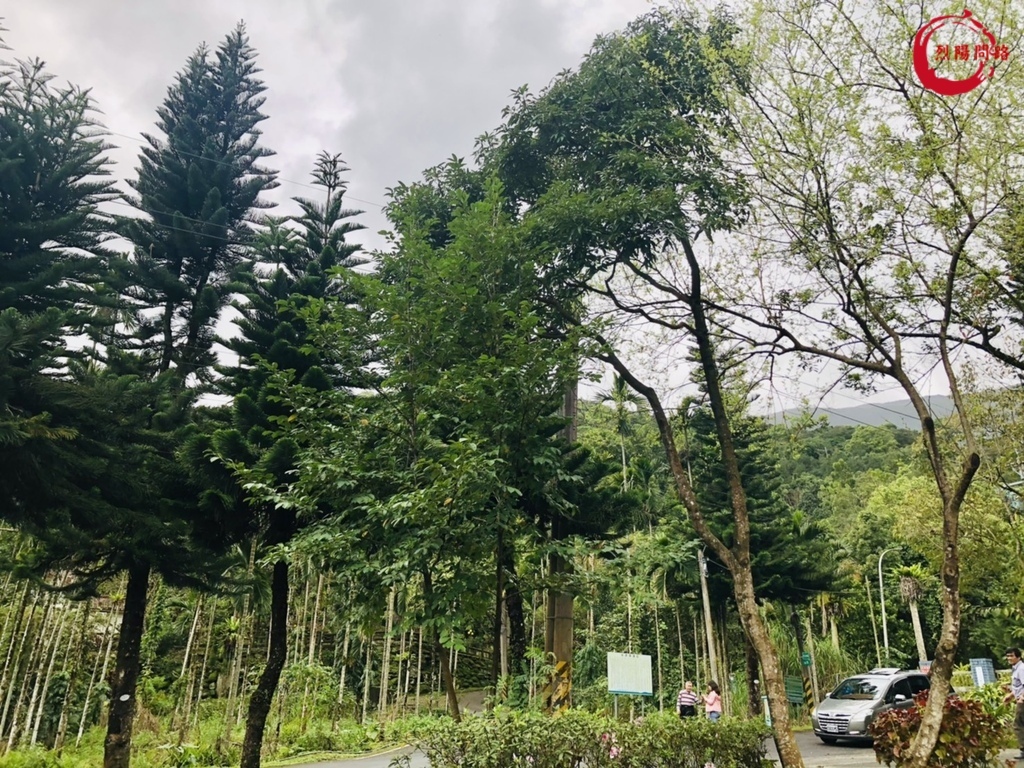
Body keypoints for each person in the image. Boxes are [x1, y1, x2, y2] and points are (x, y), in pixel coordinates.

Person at [1006, 648, 1024, 760]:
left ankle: (1023, 749)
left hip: (1022, 702)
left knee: (1018, 725)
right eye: (1007, 656)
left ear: (1018, 657)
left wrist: (1022, 698)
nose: (1009, 658)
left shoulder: (1021, 668)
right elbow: (1018, 685)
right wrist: (1011, 695)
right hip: (1019, 699)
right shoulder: (1016, 669)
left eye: (1011, 656)